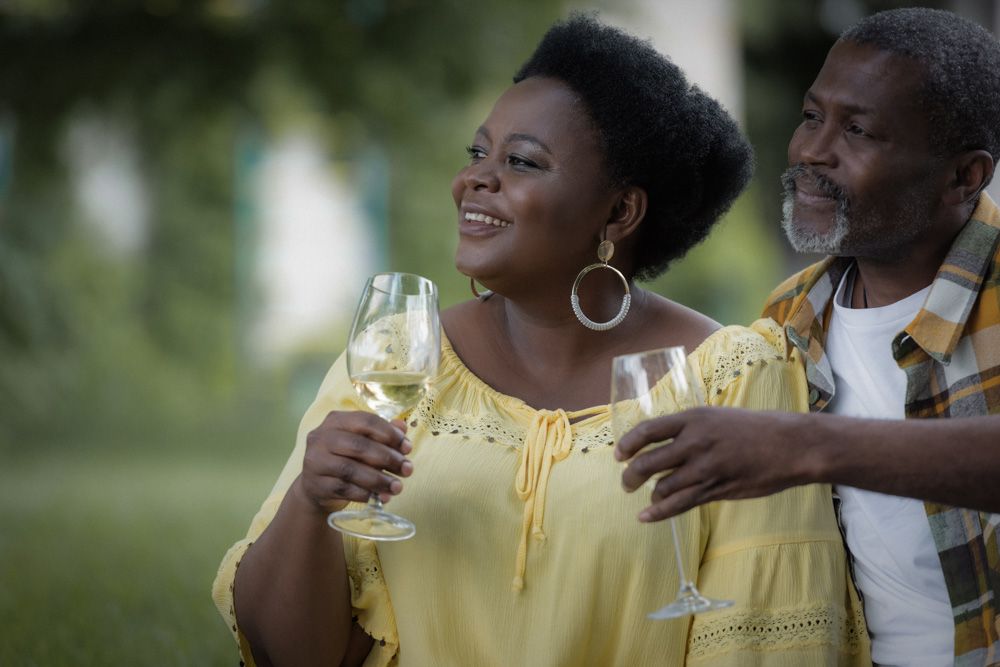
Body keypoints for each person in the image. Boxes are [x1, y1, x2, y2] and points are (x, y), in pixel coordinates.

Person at [213, 14, 869, 666]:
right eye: (478, 153)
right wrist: (311, 498)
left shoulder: (732, 381)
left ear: (618, 212)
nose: (473, 179)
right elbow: (290, 655)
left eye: (521, 161)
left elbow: (766, 645)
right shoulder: (400, 357)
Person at [616, 7, 1000, 666]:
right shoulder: (790, 315)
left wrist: (807, 444)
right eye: (812, 115)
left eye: (857, 129)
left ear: (965, 177)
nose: (812, 151)